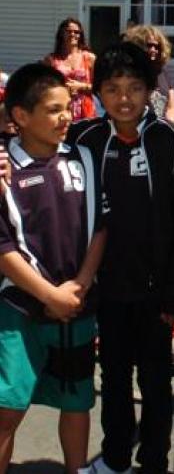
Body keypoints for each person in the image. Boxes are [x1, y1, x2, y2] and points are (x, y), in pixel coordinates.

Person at [67, 43, 174, 474]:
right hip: (105, 290)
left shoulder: (171, 142)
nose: (124, 98)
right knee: (113, 381)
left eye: (134, 87)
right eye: (113, 88)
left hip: (155, 293)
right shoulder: (82, 139)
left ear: (150, 90)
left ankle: (154, 461)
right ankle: (115, 458)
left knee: (156, 385)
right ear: (98, 91)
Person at [0, 63, 106, 474]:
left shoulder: (84, 158)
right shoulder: (6, 167)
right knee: (7, 408)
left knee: (76, 401)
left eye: (68, 108)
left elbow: (101, 227)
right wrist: (48, 295)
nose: (65, 117)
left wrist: (77, 287)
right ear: (21, 117)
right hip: (18, 308)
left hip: (77, 304)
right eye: (53, 109)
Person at [44, 18, 96, 122]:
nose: (73, 34)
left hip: (86, 110)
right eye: (68, 31)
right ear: (61, 34)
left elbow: (100, 87)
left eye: (76, 32)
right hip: (61, 109)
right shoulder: (51, 60)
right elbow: (45, 87)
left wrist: (81, 86)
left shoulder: (89, 58)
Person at [125, 24, 174, 123]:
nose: (153, 50)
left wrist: (169, 124)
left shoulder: (163, 72)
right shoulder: (128, 73)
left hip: (161, 130)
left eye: (157, 46)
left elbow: (172, 107)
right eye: (149, 45)